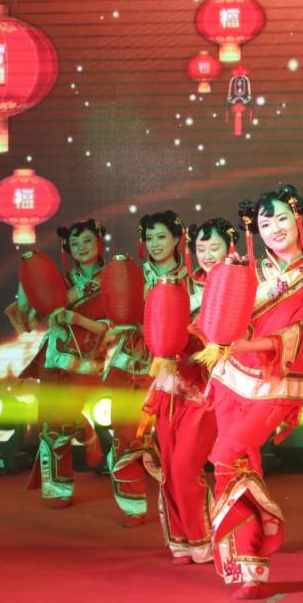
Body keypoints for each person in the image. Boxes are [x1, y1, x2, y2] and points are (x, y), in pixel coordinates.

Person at [201, 185, 303, 599]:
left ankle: (267, 523)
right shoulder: (248, 271)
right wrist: (224, 288)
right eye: (264, 222)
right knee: (239, 465)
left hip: (276, 385)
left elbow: (300, 332)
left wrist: (245, 344)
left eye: (281, 218)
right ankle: (249, 567)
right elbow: (217, 320)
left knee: (226, 455)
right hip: (230, 380)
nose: (274, 228)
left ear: (298, 219)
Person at [142, 217, 239, 563]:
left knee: (185, 467)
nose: (207, 255)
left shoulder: (240, 286)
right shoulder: (182, 285)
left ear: (230, 248)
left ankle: (202, 538)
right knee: (169, 469)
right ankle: (181, 540)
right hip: (172, 390)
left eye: (215, 247)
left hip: (209, 393)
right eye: (201, 248)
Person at [103, 211, 189, 526]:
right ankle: (133, 505)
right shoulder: (132, 277)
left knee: (176, 440)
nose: (155, 244)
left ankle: (180, 506)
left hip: (177, 369)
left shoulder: (192, 278)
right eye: (149, 238)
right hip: (133, 365)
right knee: (127, 433)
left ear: (177, 239)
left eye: (161, 237)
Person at [19, 219, 109, 509]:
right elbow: (29, 319)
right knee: (49, 423)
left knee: (63, 417)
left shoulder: (113, 278)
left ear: (99, 242)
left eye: (87, 241)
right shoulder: (60, 281)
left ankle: (86, 432)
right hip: (53, 357)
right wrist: (27, 283)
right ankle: (60, 489)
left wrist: (78, 319)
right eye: (75, 244)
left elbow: (114, 328)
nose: (81, 248)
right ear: (67, 249)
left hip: (85, 361)